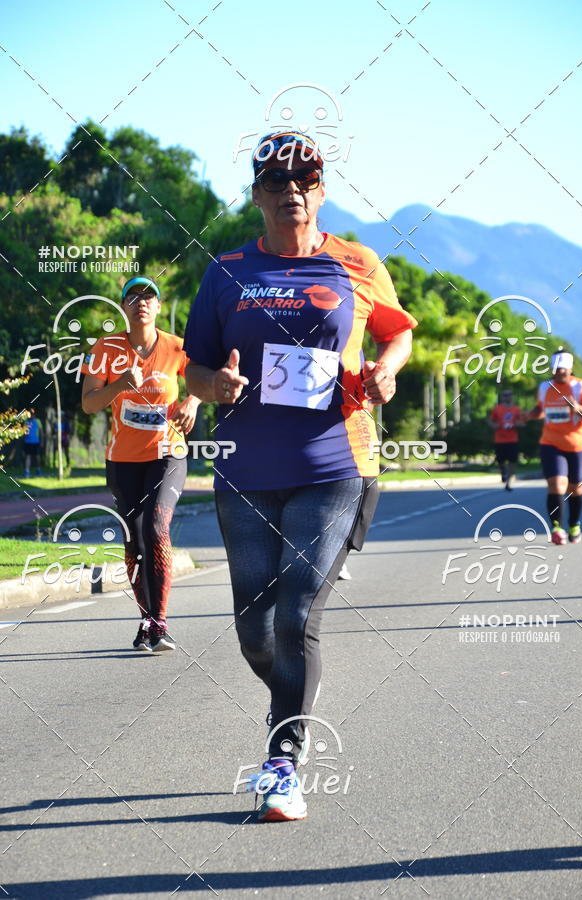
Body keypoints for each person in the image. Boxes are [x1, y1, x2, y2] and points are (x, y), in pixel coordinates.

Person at [184, 130, 417, 821]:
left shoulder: (356, 262)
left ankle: (283, 762)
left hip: (334, 463)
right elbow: (191, 366)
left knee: (296, 615)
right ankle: (292, 692)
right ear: (257, 194)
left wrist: (386, 370)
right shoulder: (225, 271)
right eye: (277, 182)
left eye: (306, 180)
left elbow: (396, 330)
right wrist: (213, 385)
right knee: (256, 630)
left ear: (321, 190)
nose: (293, 191)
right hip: (244, 468)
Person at [81, 277, 199, 650]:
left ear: (159, 307)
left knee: (155, 528)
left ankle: (159, 622)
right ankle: (146, 622)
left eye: (149, 297)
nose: (141, 302)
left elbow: (201, 380)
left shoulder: (178, 347)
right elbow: (89, 403)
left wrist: (192, 402)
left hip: (168, 452)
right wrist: (119, 386)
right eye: (133, 297)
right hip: (123, 459)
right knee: (133, 538)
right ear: (124, 308)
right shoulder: (105, 348)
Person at [525, 350, 582, 545]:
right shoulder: (545, 387)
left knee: (575, 488)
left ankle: (574, 523)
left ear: (571, 369)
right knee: (556, 484)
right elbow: (540, 409)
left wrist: (578, 408)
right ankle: (557, 528)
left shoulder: (581, 387)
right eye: (557, 370)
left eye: (564, 371)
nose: (560, 374)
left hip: (577, 445)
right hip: (550, 443)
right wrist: (528, 415)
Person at [488, 388, 523, 490]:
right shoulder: (497, 409)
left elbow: (522, 422)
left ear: (512, 396)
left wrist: (516, 424)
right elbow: (491, 421)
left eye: (509, 394)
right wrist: (495, 425)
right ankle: (503, 472)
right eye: (505, 395)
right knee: (500, 461)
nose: (507, 397)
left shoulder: (516, 409)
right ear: (502, 397)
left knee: (512, 461)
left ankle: (508, 482)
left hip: (512, 440)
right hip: (500, 439)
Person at [23, 409, 43, 477]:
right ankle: (27, 471)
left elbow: (41, 432)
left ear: (34, 414)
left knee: (37, 457)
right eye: (30, 414)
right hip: (27, 442)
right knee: (27, 456)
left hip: (36, 442)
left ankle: (38, 469)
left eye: (32, 414)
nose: (31, 415)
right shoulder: (26, 421)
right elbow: (24, 432)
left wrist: (42, 441)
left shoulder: (38, 421)